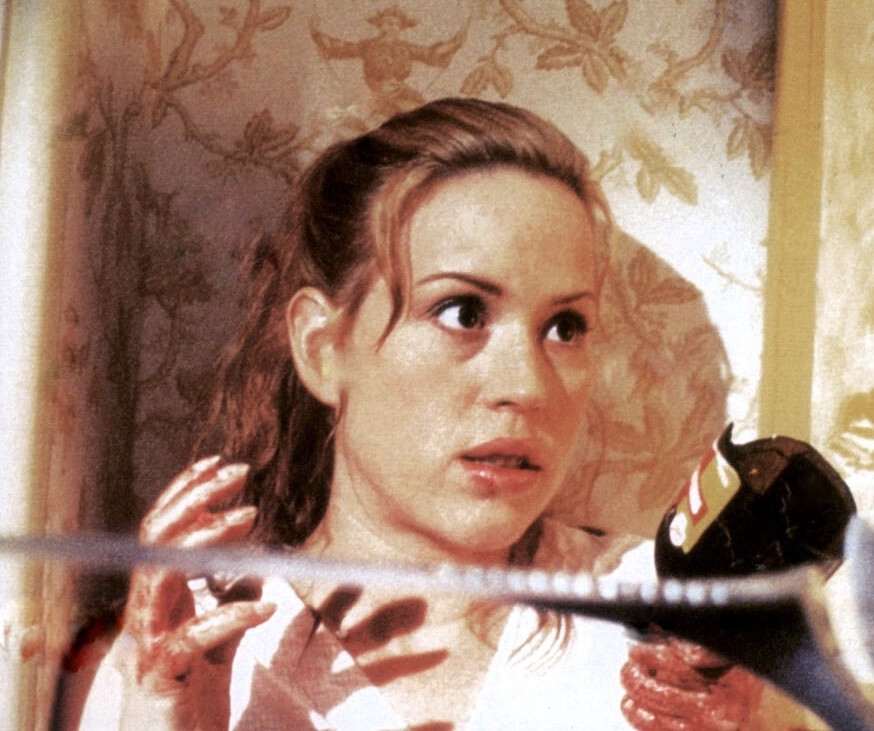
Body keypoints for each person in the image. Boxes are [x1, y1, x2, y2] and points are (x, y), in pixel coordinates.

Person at [69, 97, 763, 730]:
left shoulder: (672, 625)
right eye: (462, 312)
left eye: (565, 327)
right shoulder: (185, 649)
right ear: (322, 348)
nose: (526, 386)